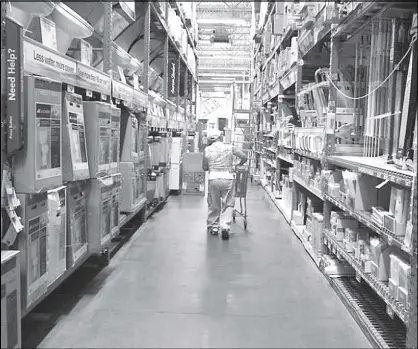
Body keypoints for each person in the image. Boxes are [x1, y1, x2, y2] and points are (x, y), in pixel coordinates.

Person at [202, 129, 248, 240]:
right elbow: (244, 157)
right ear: (219, 137)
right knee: (228, 203)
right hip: (228, 178)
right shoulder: (229, 147)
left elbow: (204, 167)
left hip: (213, 178)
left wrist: (213, 165)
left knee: (214, 203)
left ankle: (214, 227)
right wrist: (238, 164)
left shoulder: (207, 150)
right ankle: (225, 227)